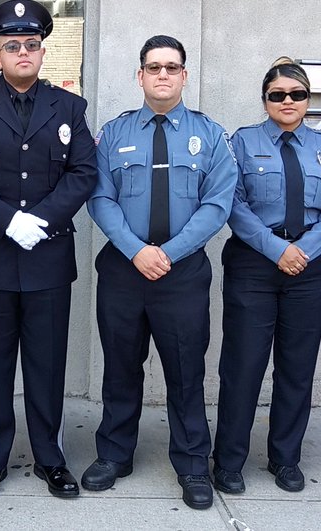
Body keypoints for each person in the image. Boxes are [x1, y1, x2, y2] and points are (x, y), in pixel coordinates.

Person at [0, 0, 97, 503]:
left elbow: (83, 173)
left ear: (42, 51)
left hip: (47, 255)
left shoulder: (69, 107)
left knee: (46, 364)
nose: (23, 52)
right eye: (13, 46)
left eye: (32, 44)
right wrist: (9, 219)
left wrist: (44, 219)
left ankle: (50, 458)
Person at [83, 35, 237, 510]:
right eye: (154, 67)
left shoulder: (210, 135)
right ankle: (114, 454)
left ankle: (193, 464)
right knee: (120, 368)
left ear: (185, 76)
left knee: (186, 371)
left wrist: (168, 253)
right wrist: (136, 250)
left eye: (172, 67)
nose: (163, 75)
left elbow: (217, 204)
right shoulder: (114, 133)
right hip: (125, 269)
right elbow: (99, 197)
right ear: (140, 76)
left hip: (183, 271)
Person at [211, 58, 321, 496]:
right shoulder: (241, 143)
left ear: (308, 100)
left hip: (308, 267)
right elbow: (232, 203)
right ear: (265, 100)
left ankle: (285, 457)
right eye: (278, 95)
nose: (287, 101)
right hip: (255, 263)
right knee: (243, 365)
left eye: (297, 94)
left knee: (297, 367)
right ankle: (230, 460)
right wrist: (277, 250)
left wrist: (302, 251)